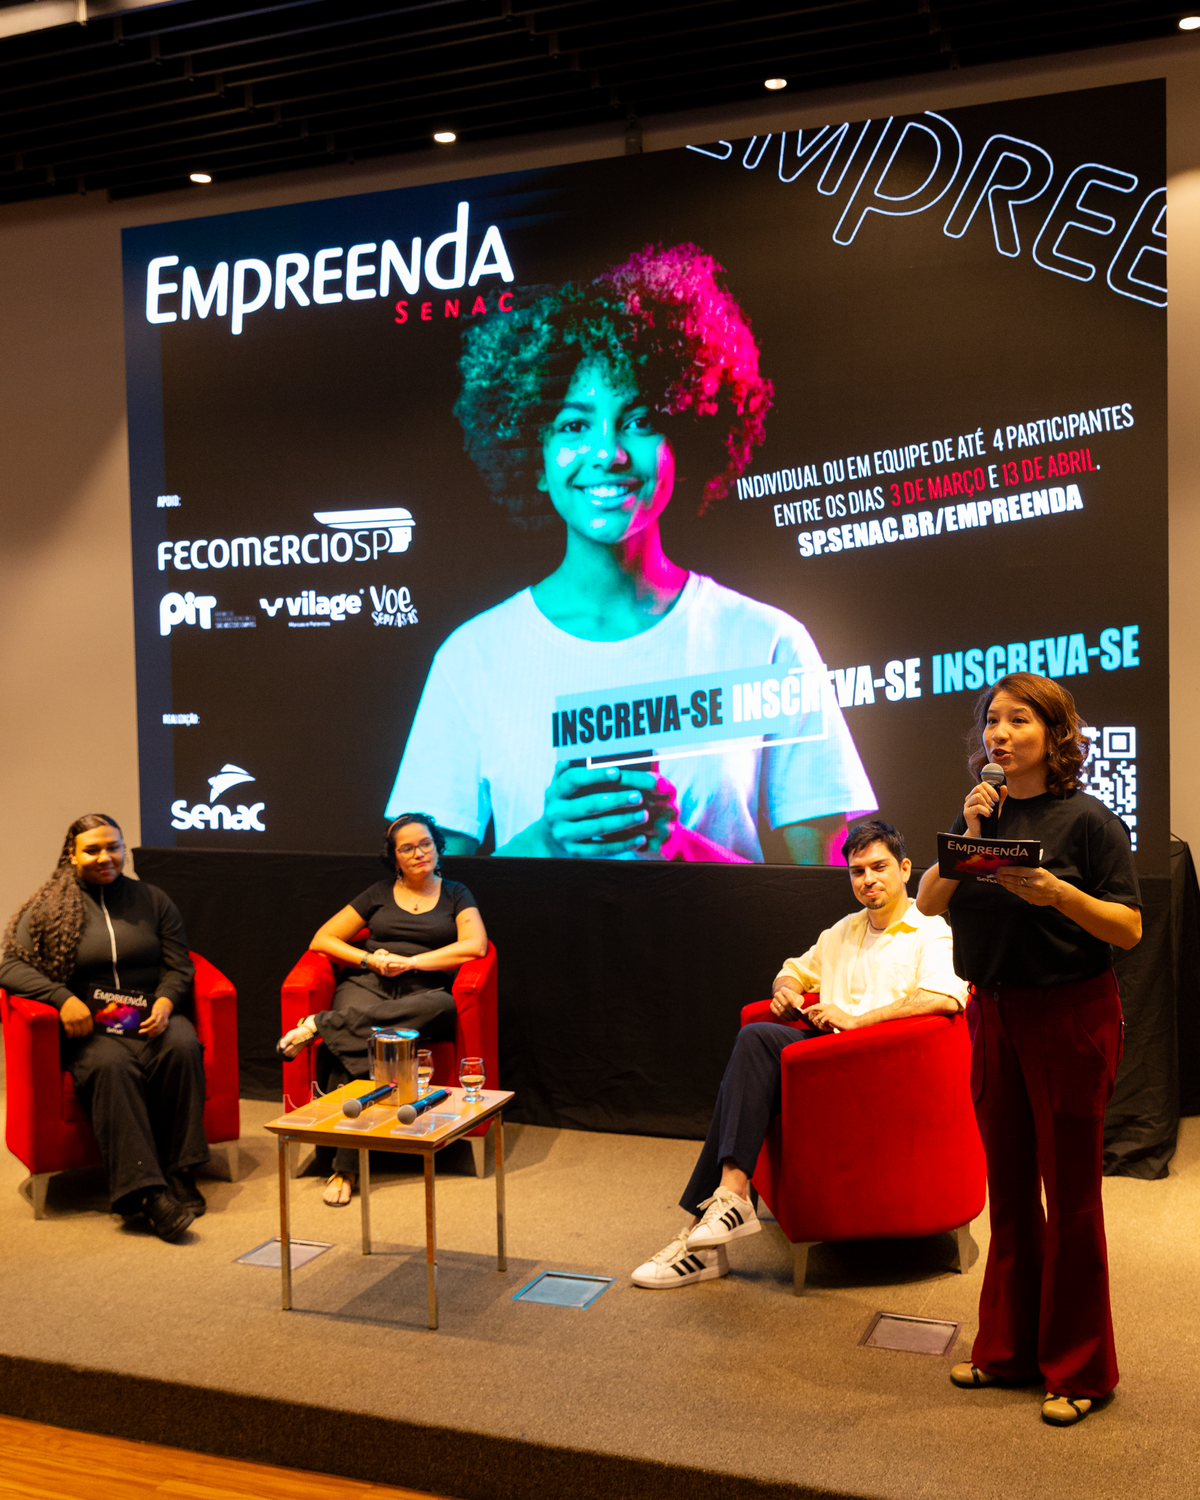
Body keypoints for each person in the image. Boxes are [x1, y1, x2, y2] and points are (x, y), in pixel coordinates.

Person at [386, 243, 875, 865]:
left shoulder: (768, 643)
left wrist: (677, 847)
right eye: (573, 425)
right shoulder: (472, 658)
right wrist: (549, 840)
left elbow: (829, 891)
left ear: (685, 437)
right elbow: (426, 894)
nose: (609, 454)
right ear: (532, 453)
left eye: (640, 421)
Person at [916, 674, 1141, 1428]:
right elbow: (927, 902)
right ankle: (1008, 1349)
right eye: (993, 721)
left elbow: (1128, 928)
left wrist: (1059, 895)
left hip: (1070, 1016)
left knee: (1070, 1197)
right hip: (994, 1013)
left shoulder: (1090, 821)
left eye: (1018, 720)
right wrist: (969, 832)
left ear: (1054, 734)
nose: (1000, 733)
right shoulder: (981, 812)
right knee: (1009, 1190)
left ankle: (1081, 1368)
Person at [631, 819, 968, 1287]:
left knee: (751, 1068)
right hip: (825, 1064)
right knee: (756, 1041)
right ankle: (727, 1201)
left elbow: (945, 997)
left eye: (879, 867)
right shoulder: (843, 931)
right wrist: (786, 991)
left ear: (905, 869)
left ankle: (708, 1231)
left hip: (883, 1080)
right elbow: (792, 970)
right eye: (857, 872)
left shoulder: (930, 930)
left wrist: (859, 1021)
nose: (868, 879)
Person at [0, 815, 207, 1240]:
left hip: (147, 1014)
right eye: (92, 850)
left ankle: (180, 1170)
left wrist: (167, 1001)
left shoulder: (152, 899)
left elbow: (179, 965)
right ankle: (147, 1193)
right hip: (91, 1026)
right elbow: (9, 966)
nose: (104, 857)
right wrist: (62, 998)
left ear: (124, 848)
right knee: (112, 1067)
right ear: (72, 855)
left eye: (113, 847)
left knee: (182, 1044)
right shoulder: (49, 907)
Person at [278, 813, 487, 1206]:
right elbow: (323, 939)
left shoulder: (456, 893)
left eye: (425, 843)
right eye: (407, 848)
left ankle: (321, 1025)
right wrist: (369, 960)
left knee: (442, 1005)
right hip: (368, 986)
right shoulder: (378, 893)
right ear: (395, 858)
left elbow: (475, 946)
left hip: (424, 993)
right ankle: (346, 1167)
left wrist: (412, 963)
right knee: (357, 1041)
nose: (419, 853)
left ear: (437, 846)